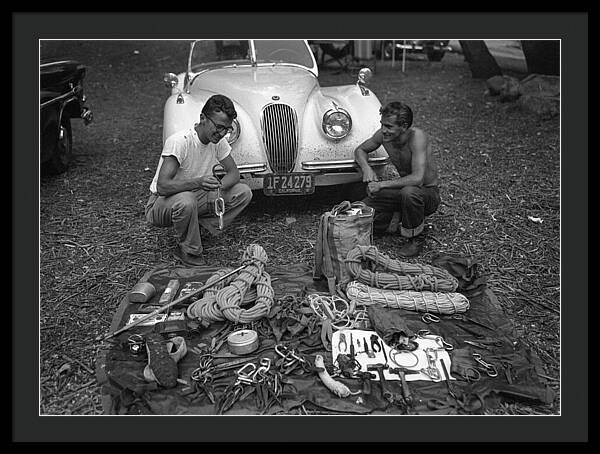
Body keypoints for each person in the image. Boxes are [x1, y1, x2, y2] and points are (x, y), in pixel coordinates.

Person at [145, 94, 253, 266]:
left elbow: (234, 173)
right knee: (186, 200)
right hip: (161, 204)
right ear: (203, 118)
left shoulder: (218, 142)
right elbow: (163, 186)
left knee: (243, 192)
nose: (222, 133)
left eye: (227, 129)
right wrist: (198, 182)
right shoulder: (180, 141)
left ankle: (199, 229)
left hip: (195, 196)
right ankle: (189, 251)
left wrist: (217, 188)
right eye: (218, 127)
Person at [354, 101, 440, 257]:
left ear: (404, 126)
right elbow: (360, 150)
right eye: (382, 125)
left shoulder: (417, 137)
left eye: (389, 126)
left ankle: (416, 238)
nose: (383, 130)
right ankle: (394, 219)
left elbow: (417, 179)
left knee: (409, 193)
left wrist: (381, 184)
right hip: (404, 191)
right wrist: (366, 168)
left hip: (427, 194)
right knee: (365, 205)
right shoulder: (383, 135)